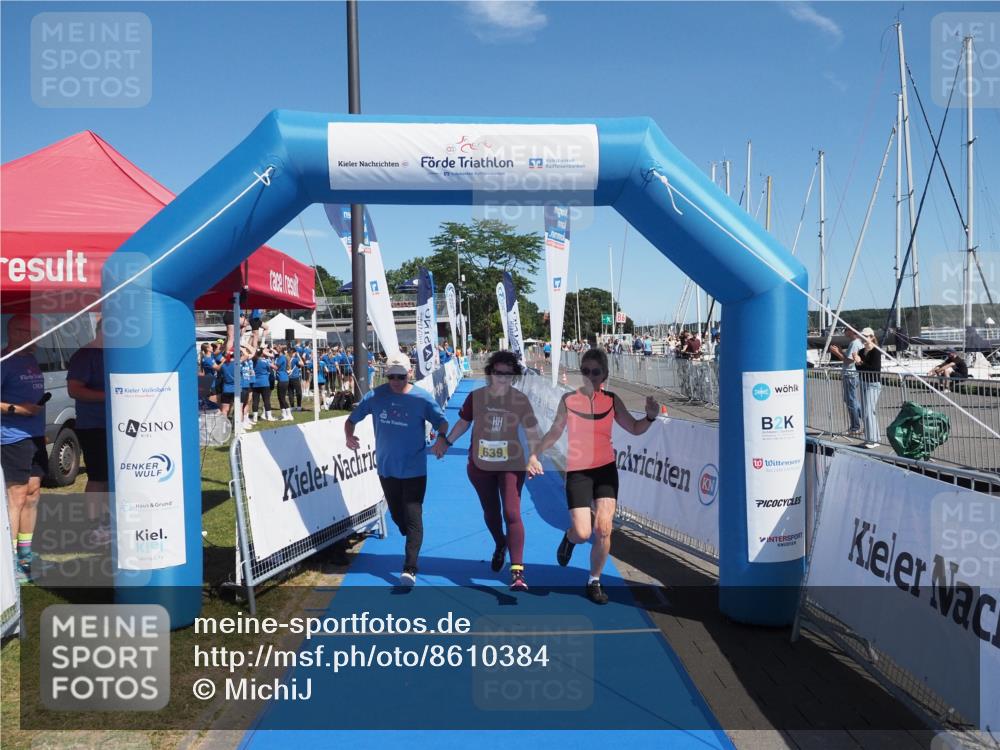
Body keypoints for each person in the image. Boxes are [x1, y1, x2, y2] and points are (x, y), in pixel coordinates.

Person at [530, 348, 662, 604]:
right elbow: (554, 433)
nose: (590, 376)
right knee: (582, 532)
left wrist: (650, 417)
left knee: (603, 529)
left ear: (605, 374)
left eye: (596, 372)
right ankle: (569, 539)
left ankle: (594, 580)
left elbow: (635, 429)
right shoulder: (569, 400)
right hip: (578, 471)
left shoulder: (612, 401)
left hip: (605, 470)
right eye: (586, 371)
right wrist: (534, 455)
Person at [433, 351, 543, 591]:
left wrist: (533, 455)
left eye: (507, 374)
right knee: (491, 513)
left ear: (513, 376)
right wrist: (447, 442)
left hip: (512, 464)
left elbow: (532, 431)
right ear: (490, 373)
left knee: (512, 513)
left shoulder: (520, 400)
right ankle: (500, 543)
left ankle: (517, 572)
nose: (502, 378)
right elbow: (463, 422)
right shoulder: (476, 397)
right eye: (497, 373)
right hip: (480, 465)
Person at [345, 353, 448, 586]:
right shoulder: (375, 396)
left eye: (400, 376)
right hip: (387, 468)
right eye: (391, 376)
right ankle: (406, 531)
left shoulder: (422, 398)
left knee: (413, 517)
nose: (395, 381)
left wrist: (442, 438)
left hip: (414, 469)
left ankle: (409, 568)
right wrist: (349, 436)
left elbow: (442, 421)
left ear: (408, 374)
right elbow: (351, 420)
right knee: (397, 516)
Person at [1, 315, 46, 582]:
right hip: (12, 436)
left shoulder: (29, 358)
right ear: (15, 332)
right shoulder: (4, 361)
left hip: (35, 434)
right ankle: (8, 562)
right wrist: (18, 410)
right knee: (15, 496)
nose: (37, 339)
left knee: (32, 492)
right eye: (32, 333)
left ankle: (25, 555)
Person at [67, 319, 111, 543]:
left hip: (119, 426)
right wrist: (110, 396)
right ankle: (95, 526)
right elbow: (74, 390)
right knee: (99, 477)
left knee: (113, 478)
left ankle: (108, 522)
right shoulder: (86, 355)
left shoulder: (116, 353)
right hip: (94, 425)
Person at [828, 328, 863, 436]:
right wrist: (841, 351)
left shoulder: (854, 343)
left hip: (850, 375)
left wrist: (837, 352)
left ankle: (855, 427)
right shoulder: (857, 343)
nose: (844, 332)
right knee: (851, 400)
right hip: (852, 375)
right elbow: (849, 358)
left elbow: (848, 361)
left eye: (846, 329)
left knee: (850, 400)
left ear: (852, 331)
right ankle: (864, 421)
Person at [854, 327, 882, 449]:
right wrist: (857, 362)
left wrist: (860, 362)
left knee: (869, 410)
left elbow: (874, 369)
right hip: (864, 382)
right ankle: (870, 438)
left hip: (873, 384)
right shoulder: (860, 351)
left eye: (866, 336)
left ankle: (874, 439)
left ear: (871, 337)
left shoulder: (876, 351)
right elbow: (859, 370)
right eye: (862, 336)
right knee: (866, 411)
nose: (864, 339)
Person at [250, 347, 275, 424]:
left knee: (255, 401)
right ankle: (269, 416)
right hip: (264, 383)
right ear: (262, 353)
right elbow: (270, 369)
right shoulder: (265, 361)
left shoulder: (252, 361)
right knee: (266, 400)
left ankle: (255, 417)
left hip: (255, 384)